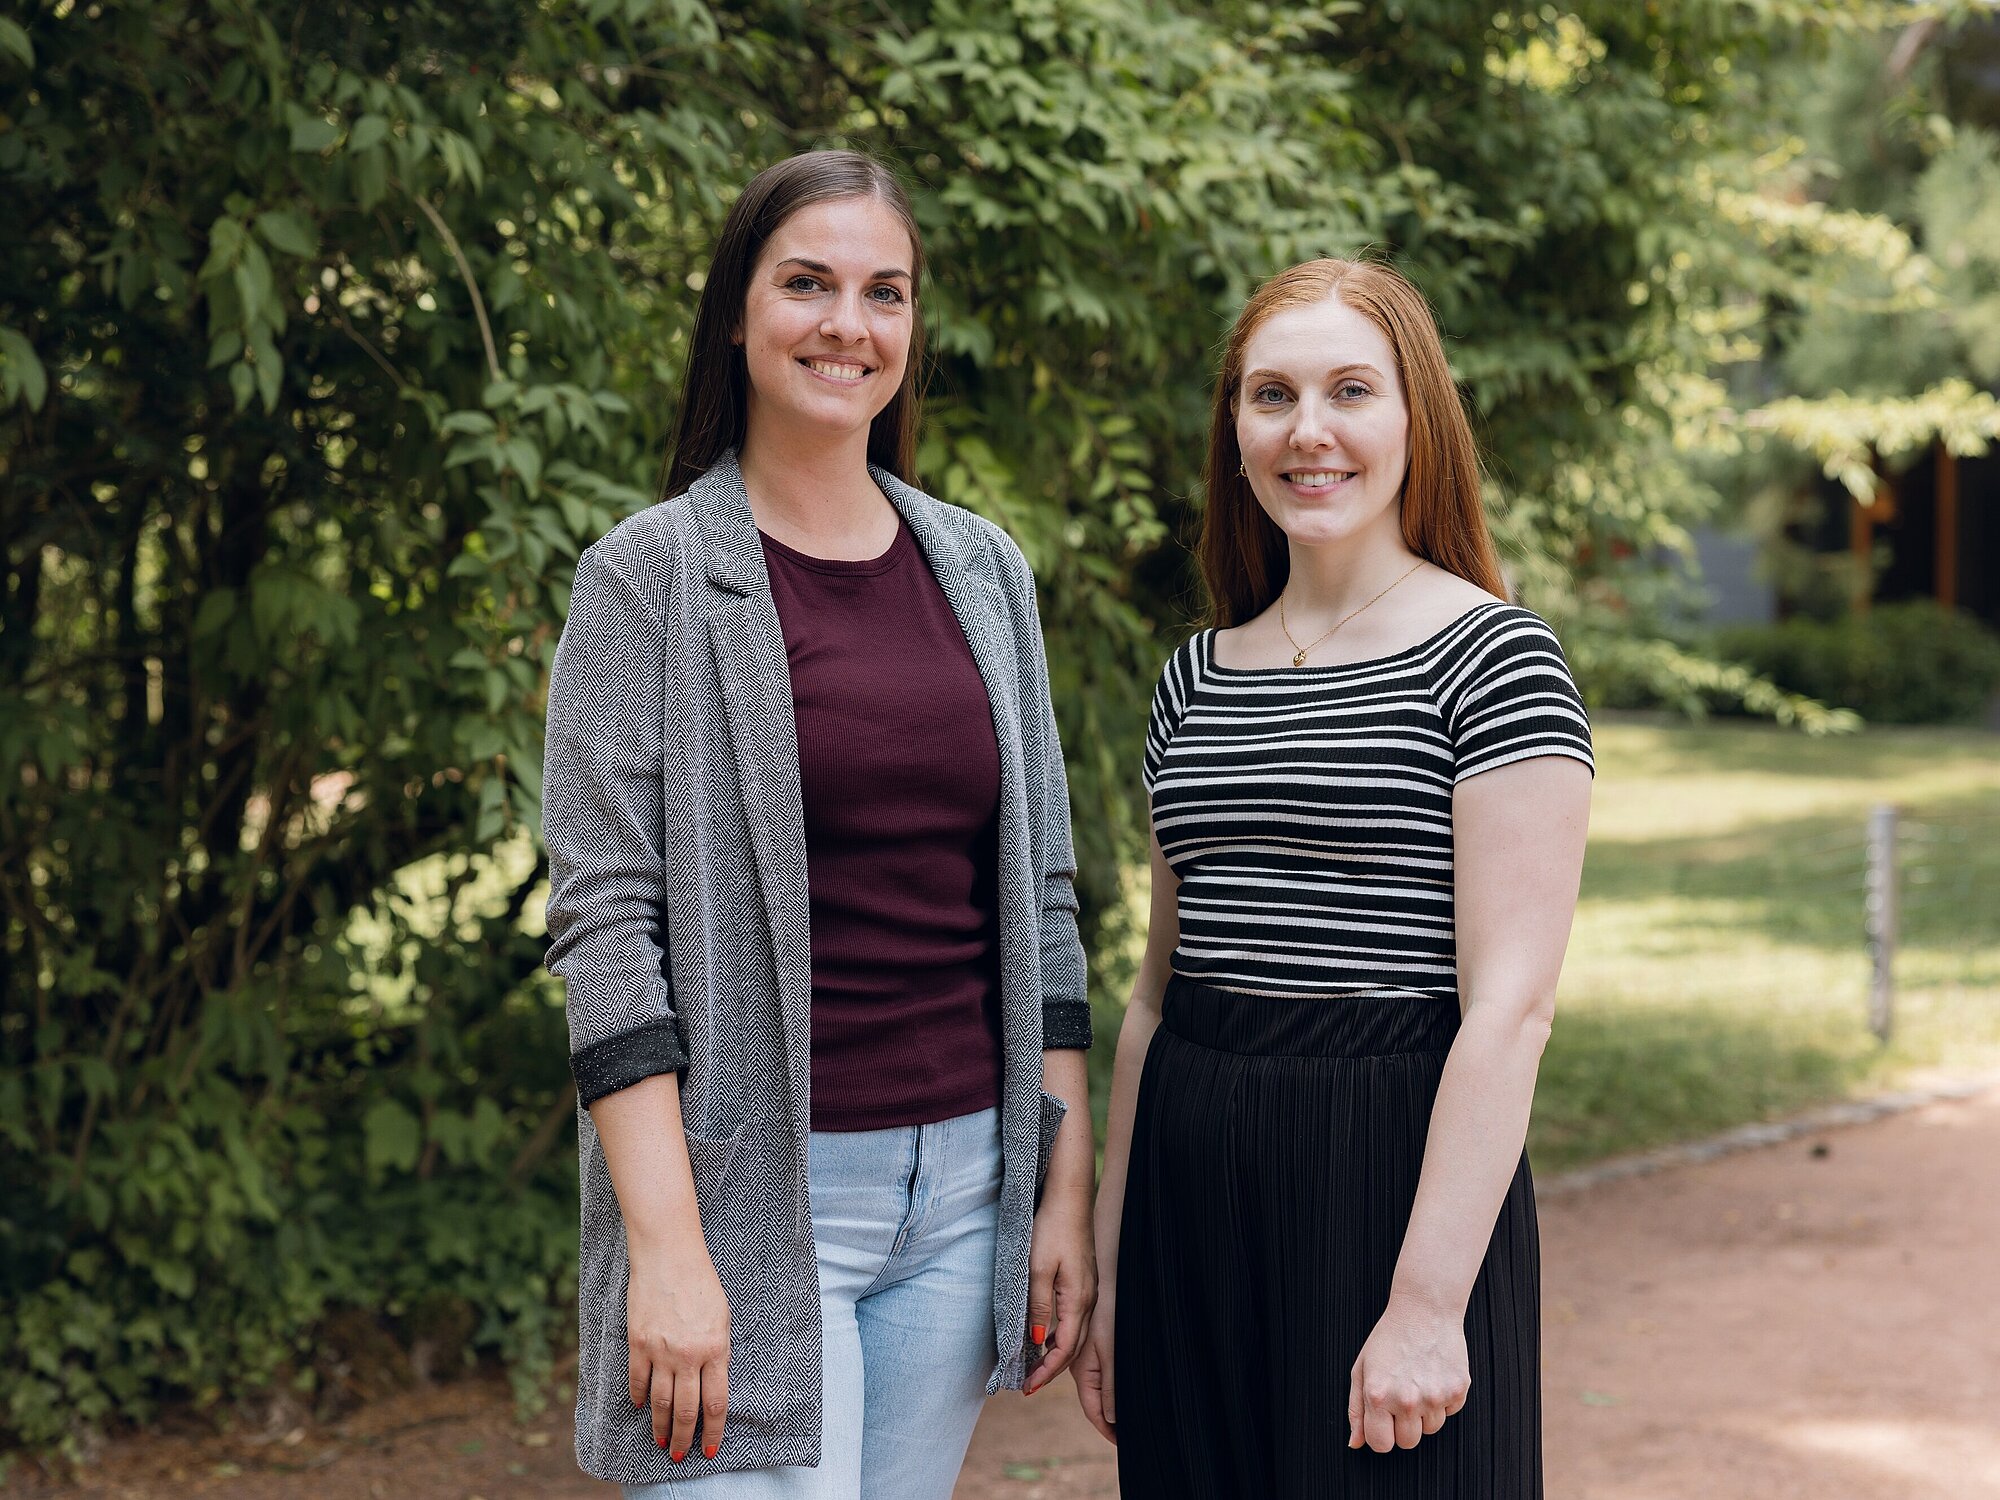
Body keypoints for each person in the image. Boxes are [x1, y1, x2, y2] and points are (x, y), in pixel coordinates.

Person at [541, 149, 1097, 1498]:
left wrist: (1058, 1190)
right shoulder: (648, 578)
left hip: (967, 1199)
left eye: (884, 292)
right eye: (808, 284)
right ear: (737, 312)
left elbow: (1045, 901)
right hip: (749, 1204)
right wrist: (669, 1252)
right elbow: (605, 933)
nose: (849, 324)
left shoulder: (981, 570)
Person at [1074, 257, 1594, 1498]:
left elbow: (1508, 1011)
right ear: (1236, 434)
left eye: (1349, 390)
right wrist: (1109, 1264)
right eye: (1270, 396)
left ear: (1415, 419)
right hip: (1191, 1192)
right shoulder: (1193, 679)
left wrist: (1423, 1305)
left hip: (1387, 1174)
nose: (1307, 431)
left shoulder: (1495, 660)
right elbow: (1151, 1001)